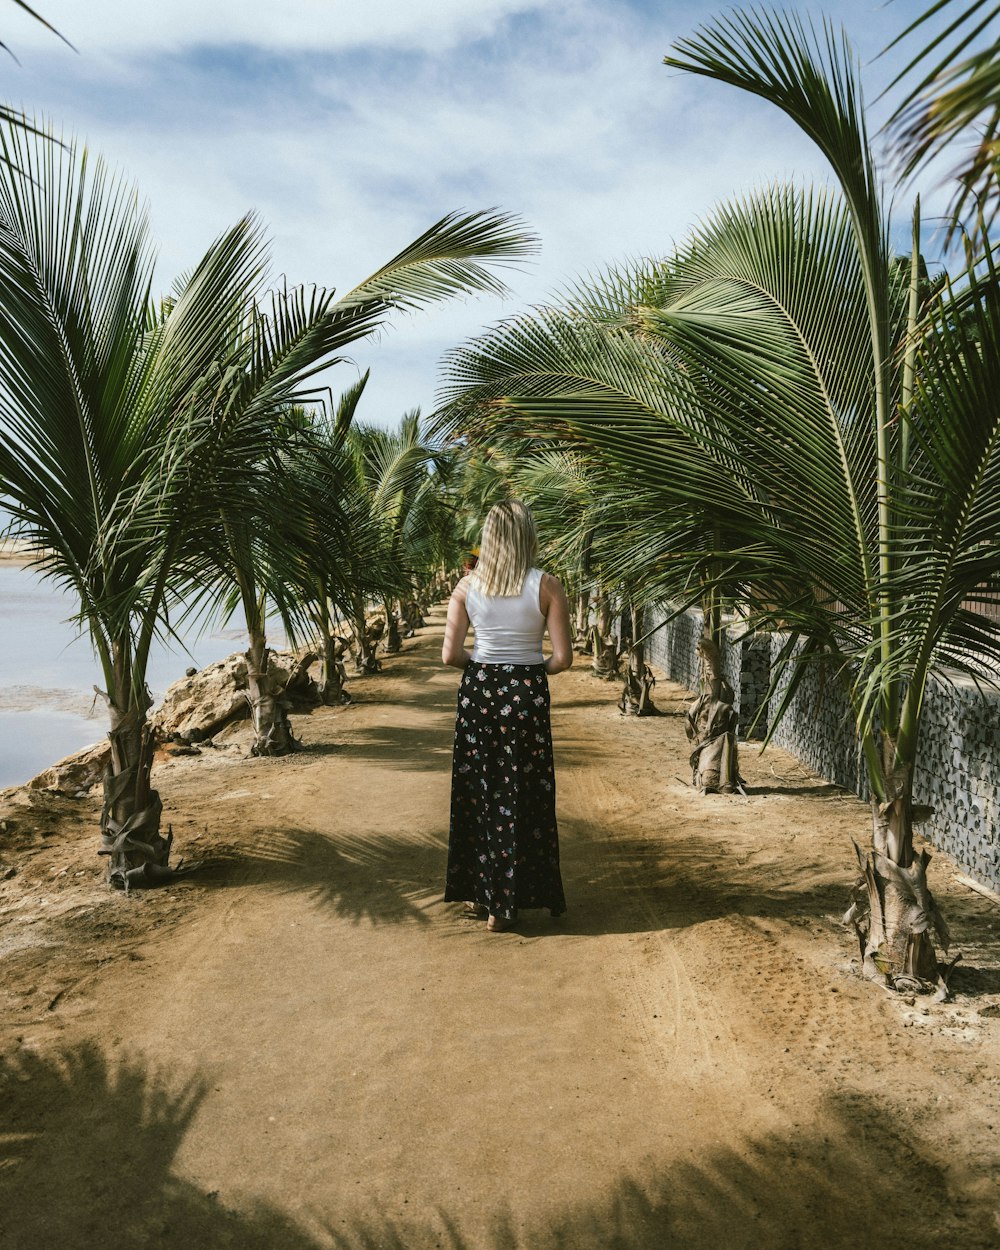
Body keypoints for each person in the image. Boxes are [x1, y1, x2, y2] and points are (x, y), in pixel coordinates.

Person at [441, 500, 573, 932]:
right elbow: (563, 659)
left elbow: (449, 655)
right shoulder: (547, 585)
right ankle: (508, 902)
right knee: (523, 791)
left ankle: (481, 896)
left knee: (479, 789)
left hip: (479, 691)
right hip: (527, 692)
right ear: (527, 537)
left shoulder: (466, 588)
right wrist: (529, 672)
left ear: (489, 539)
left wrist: (482, 666)